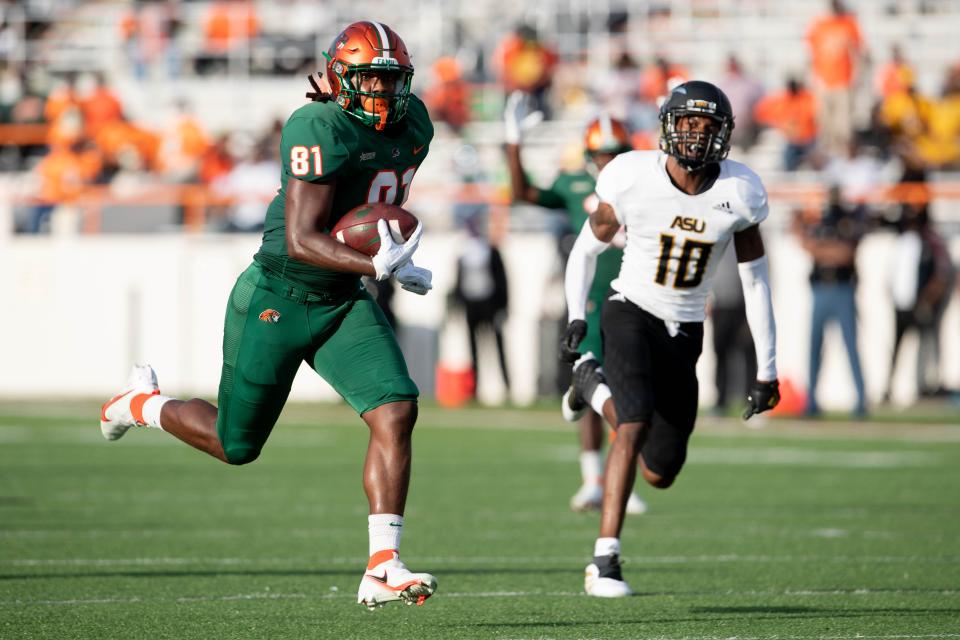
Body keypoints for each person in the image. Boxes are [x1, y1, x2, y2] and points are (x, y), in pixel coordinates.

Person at [98, 21, 437, 610]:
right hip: (278, 294)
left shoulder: (415, 127)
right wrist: (378, 267)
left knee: (397, 409)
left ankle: (383, 563)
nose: (382, 93)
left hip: (339, 303)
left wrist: (388, 254)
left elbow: (374, 214)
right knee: (236, 445)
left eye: (390, 80)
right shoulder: (316, 125)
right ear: (339, 78)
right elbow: (304, 239)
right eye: (370, 80)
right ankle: (141, 405)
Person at [559, 81, 780, 597]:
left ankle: (591, 383)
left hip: (685, 330)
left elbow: (757, 281)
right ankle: (604, 560)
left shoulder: (741, 192)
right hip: (629, 310)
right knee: (631, 424)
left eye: (708, 127)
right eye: (688, 123)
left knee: (660, 470)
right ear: (669, 126)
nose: (697, 136)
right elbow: (584, 251)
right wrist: (575, 314)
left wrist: (767, 368)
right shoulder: (633, 177)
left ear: (724, 135)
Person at [504, 94, 648, 514]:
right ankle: (592, 479)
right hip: (591, 297)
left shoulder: (639, 181)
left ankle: (624, 479)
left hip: (636, 293)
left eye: (615, 153)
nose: (607, 162)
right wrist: (513, 143)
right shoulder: (575, 184)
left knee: (631, 387)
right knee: (591, 383)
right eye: (601, 154)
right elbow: (523, 192)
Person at [792, 185, 868, 417]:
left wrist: (821, 250)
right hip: (821, 289)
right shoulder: (823, 222)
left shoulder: (847, 222)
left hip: (842, 289)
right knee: (814, 347)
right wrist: (825, 250)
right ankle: (811, 402)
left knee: (851, 346)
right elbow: (808, 246)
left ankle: (860, 402)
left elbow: (845, 254)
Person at [452, 215, 511, 400]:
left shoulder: (491, 251)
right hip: (472, 305)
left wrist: (503, 307)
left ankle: (507, 387)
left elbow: (502, 281)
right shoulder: (463, 254)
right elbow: (459, 283)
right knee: (473, 350)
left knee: (498, 347)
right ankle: (474, 389)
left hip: (490, 305)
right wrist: (457, 305)